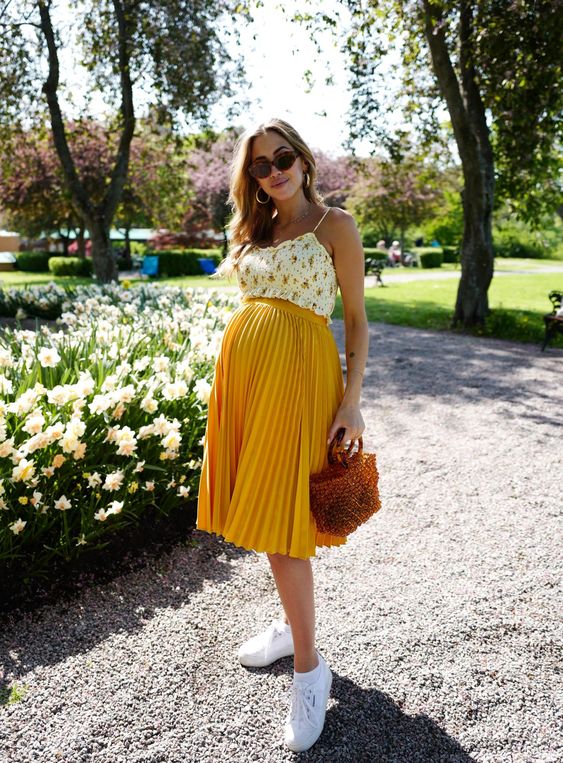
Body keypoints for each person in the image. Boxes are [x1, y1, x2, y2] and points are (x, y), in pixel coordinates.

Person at [196, 118, 368, 752]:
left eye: (284, 157)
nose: (275, 170)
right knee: (267, 512)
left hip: (301, 377)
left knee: (285, 516)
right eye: (262, 165)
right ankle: (295, 628)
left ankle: (308, 670)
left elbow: (355, 319)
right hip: (249, 380)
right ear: (253, 179)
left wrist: (352, 400)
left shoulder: (335, 227)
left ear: (304, 158)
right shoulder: (256, 230)